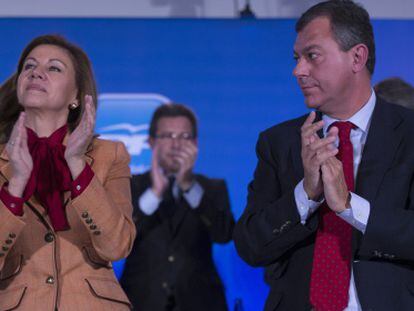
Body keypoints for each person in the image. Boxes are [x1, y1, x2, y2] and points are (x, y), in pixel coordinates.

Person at [233, 1, 414, 310]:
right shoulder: (279, 142)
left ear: (357, 57)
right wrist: (305, 195)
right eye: (296, 58)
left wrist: (349, 206)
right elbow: (251, 246)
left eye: (312, 56)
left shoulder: (408, 134)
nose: (298, 70)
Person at [0, 34, 136, 310]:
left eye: (53, 68)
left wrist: (76, 165)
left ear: (75, 96)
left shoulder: (109, 154)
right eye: (29, 66)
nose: (37, 72)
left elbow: (117, 246)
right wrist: (16, 185)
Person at [121, 103, 234, 311]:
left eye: (184, 136)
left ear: (196, 143)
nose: (176, 145)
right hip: (141, 302)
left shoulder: (212, 188)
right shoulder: (129, 185)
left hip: (201, 302)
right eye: (168, 136)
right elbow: (117, 239)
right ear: (151, 141)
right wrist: (154, 194)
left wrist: (188, 186)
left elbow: (223, 234)